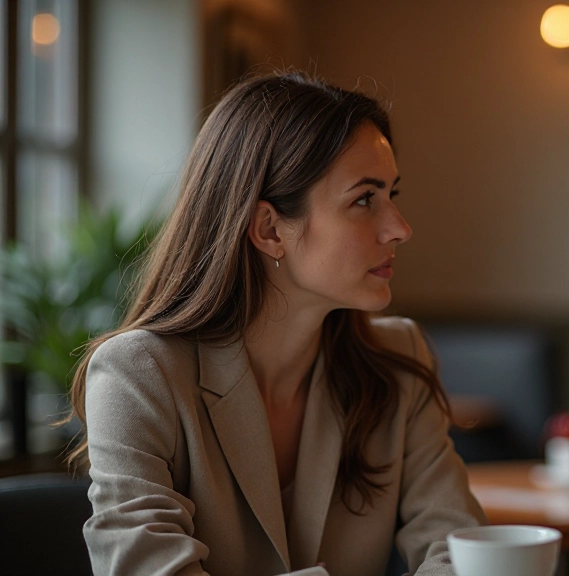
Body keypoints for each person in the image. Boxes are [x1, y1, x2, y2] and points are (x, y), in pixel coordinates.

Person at [68, 72, 487, 575]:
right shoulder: (138, 375)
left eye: (391, 195)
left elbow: (462, 555)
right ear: (269, 229)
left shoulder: (400, 361)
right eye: (364, 200)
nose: (400, 227)